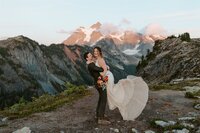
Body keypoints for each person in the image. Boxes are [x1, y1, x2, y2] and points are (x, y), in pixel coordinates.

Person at [93, 46, 149, 121]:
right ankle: (103, 112)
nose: (95, 53)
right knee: (110, 93)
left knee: (111, 93)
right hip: (106, 77)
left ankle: (124, 102)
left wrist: (100, 78)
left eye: (97, 51)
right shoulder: (98, 59)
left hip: (107, 77)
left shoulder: (100, 59)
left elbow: (105, 70)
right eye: (94, 51)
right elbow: (105, 67)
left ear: (100, 52)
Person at [83, 52, 111, 125]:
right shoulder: (91, 65)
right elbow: (100, 69)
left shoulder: (90, 64)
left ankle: (98, 114)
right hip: (100, 82)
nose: (91, 55)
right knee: (104, 98)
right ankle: (100, 118)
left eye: (91, 54)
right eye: (89, 55)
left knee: (101, 98)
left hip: (99, 82)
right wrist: (106, 67)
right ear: (87, 58)